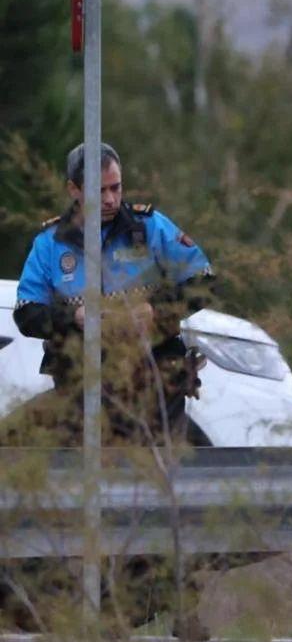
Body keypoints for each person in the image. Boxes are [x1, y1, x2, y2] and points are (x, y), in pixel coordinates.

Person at [10, 142, 215, 445]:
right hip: (81, 386)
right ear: (74, 190)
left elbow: (205, 282)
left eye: (115, 188)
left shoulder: (151, 228)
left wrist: (156, 310)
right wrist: (75, 317)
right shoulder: (50, 244)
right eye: (99, 191)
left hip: (153, 382)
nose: (109, 199)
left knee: (161, 472)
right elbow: (27, 313)